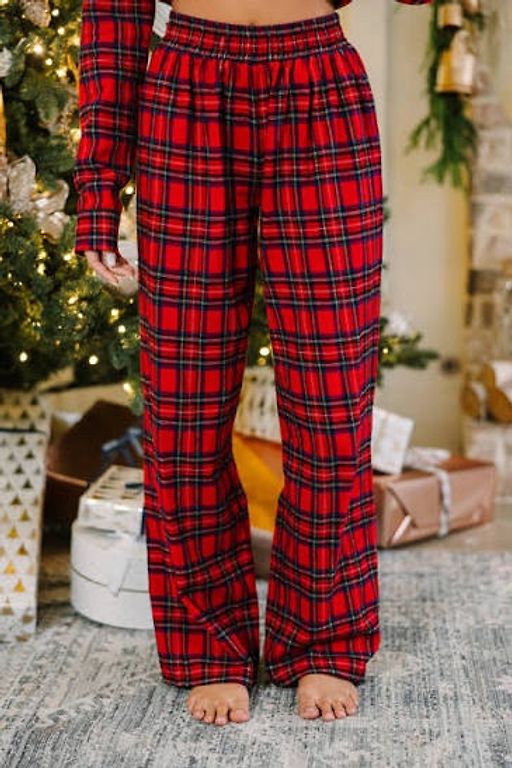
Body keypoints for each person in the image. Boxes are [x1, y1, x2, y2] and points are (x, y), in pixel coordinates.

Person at [73, 0, 431, 727]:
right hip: (185, 92)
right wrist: (99, 185)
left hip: (319, 84)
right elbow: (112, 13)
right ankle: (211, 642)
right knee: (184, 406)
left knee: (332, 402)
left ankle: (324, 637)